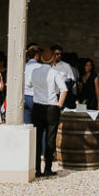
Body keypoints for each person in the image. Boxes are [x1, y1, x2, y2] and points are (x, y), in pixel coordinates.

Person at [30, 46, 68, 177]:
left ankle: (36, 169)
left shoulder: (34, 72)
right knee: (50, 139)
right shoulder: (54, 73)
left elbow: (29, 84)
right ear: (53, 60)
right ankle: (47, 168)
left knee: (37, 138)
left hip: (37, 106)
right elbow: (64, 89)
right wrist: (60, 104)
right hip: (51, 106)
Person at [23, 44, 41, 125]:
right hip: (35, 96)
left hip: (24, 96)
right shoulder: (40, 67)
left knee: (27, 126)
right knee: (39, 124)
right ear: (37, 55)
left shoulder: (23, 66)